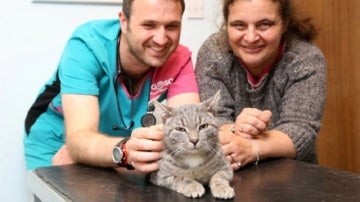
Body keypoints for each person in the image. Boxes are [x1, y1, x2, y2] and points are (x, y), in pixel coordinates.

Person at [24, 0, 200, 171]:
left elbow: (189, 129)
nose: (161, 40)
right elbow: (79, 138)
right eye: (149, 25)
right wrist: (117, 150)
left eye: (171, 26)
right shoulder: (88, 45)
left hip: (118, 142)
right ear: (124, 21)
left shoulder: (179, 58)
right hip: (56, 140)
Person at [195, 0, 327, 171]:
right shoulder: (213, 53)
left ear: (284, 24)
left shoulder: (306, 58)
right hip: (231, 172)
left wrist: (251, 148)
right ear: (226, 24)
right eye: (239, 25)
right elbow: (214, 118)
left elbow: (300, 130)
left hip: (294, 173)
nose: (251, 37)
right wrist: (237, 129)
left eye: (264, 25)